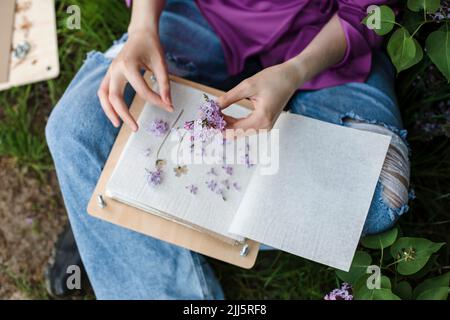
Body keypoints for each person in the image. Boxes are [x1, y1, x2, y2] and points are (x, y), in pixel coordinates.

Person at [45, 0, 411, 299]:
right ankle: (115, 213)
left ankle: (114, 214)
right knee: (77, 130)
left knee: (378, 195)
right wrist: (142, 28)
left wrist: (295, 71)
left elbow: (367, 11)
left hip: (325, 44)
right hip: (204, 16)